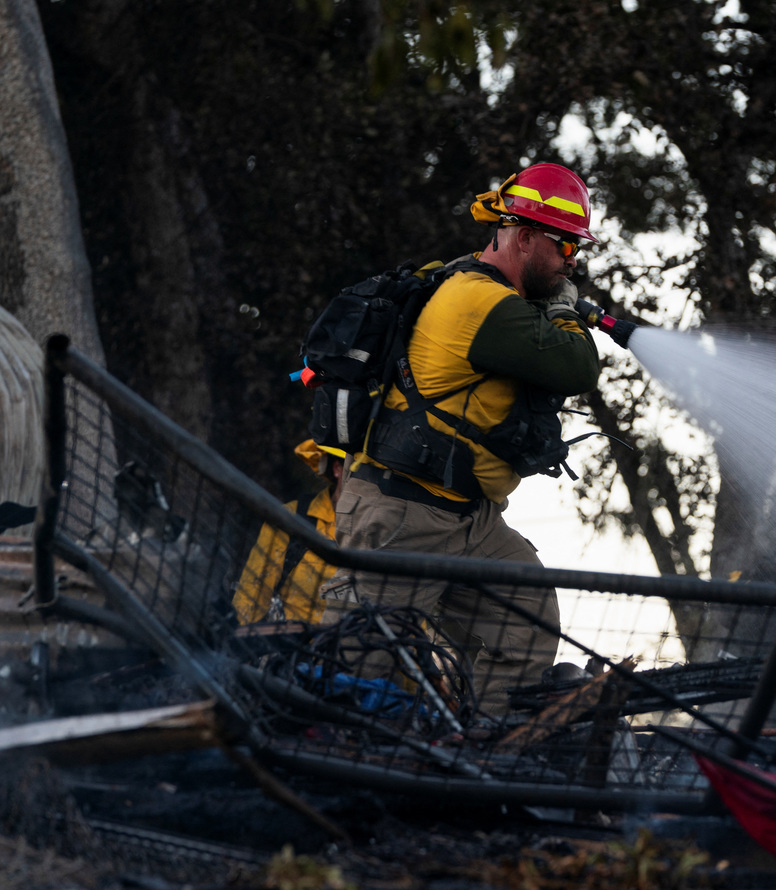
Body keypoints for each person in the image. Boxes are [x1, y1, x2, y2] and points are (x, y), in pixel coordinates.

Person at [321, 162, 602, 719]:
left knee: (525, 615)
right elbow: (576, 366)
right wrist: (565, 305)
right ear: (525, 237)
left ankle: (485, 754)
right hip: (405, 516)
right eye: (565, 247)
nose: (572, 260)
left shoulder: (495, 296)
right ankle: (314, 774)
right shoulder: (478, 301)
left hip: (469, 521)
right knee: (352, 670)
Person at [233, 439, 345, 626]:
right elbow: (252, 594)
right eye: (360, 474)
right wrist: (242, 643)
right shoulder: (293, 519)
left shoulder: (389, 532)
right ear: (337, 469)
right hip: (297, 649)